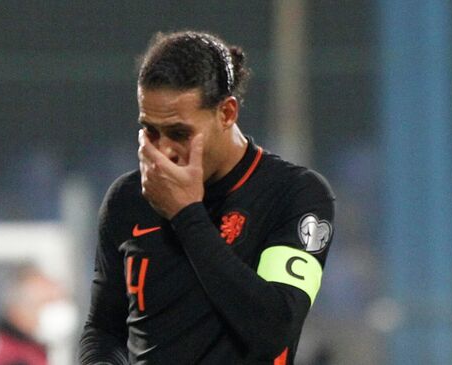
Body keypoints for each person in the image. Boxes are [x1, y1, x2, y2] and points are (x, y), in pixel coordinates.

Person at [80, 30, 335, 365]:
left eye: (179, 133)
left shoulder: (294, 195)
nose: (163, 149)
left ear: (227, 113)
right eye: (150, 131)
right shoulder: (127, 200)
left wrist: (187, 215)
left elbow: (275, 329)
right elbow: (104, 329)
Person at [0, 266, 75, 365]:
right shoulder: (12, 358)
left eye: (61, 300)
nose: (58, 310)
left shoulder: (19, 349)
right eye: (49, 301)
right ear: (19, 310)